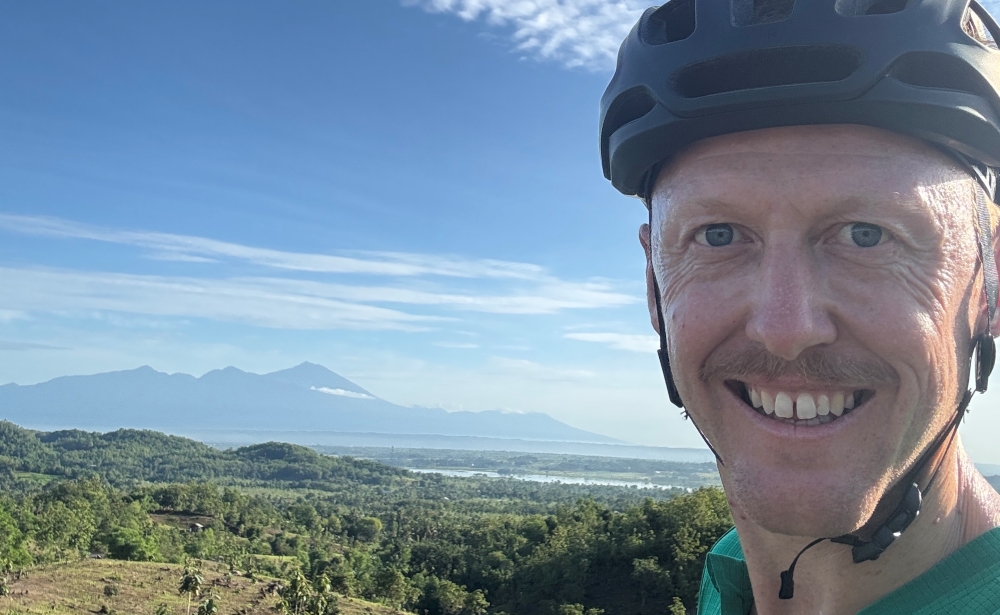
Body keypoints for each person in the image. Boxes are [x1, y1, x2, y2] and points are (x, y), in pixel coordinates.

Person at [600, 0, 1000, 613]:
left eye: (867, 234)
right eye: (718, 235)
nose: (786, 329)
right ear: (655, 288)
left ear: (990, 283)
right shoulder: (726, 577)